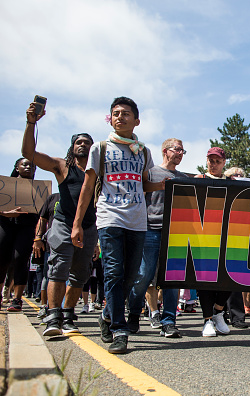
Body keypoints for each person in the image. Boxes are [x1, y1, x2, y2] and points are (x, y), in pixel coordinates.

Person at [71, 97, 161, 354]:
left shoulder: (143, 151)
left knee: (132, 276)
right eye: (115, 113)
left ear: (137, 120)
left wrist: (161, 186)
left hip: (137, 220)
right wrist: (77, 224)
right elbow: (88, 187)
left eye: (125, 113)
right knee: (113, 272)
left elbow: (144, 185)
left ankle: (107, 315)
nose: (119, 117)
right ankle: (119, 330)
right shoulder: (99, 148)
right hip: (110, 217)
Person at [22, 103, 100, 336]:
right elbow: (29, 154)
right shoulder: (62, 166)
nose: (83, 144)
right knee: (58, 269)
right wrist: (31, 123)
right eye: (79, 142)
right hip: (64, 224)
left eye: (87, 142)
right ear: (72, 146)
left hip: (89, 228)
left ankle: (67, 314)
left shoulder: (99, 170)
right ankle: (53, 315)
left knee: (80, 274)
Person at [128, 138, 186, 338]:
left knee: (172, 280)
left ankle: (169, 321)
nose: (180, 153)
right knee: (144, 276)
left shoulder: (184, 178)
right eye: (177, 149)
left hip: (174, 234)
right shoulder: (150, 173)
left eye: (182, 151)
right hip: (151, 230)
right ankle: (134, 315)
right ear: (165, 150)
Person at [194, 147, 233, 336]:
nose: (213, 164)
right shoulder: (199, 180)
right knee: (205, 279)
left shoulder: (232, 182)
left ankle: (218, 311)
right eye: (210, 160)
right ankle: (208, 319)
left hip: (228, 236)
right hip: (204, 235)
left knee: (231, 275)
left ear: (224, 163)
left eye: (217, 161)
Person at [0, 158, 38, 311]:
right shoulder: (5, 186)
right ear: (17, 168)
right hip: (5, 224)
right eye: (25, 164)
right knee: (2, 260)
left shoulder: (38, 189)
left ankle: (17, 300)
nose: (29, 167)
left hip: (27, 227)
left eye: (32, 166)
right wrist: (5, 213)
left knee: (20, 259)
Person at [32, 192, 60, 320]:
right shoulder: (53, 198)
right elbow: (42, 220)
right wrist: (38, 238)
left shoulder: (81, 194)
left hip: (74, 243)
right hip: (52, 243)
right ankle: (44, 306)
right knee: (48, 275)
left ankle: (61, 308)